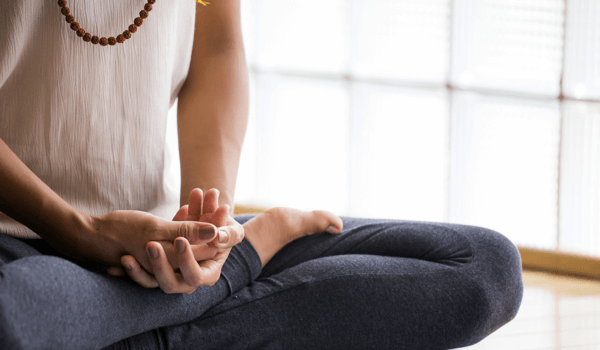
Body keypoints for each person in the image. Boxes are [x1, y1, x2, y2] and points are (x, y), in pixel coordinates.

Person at [0, 0, 523, 349]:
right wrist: (82, 232)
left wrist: (210, 230)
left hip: (154, 244)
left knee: (484, 267)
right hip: (15, 237)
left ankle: (163, 302)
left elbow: (217, 47)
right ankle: (237, 269)